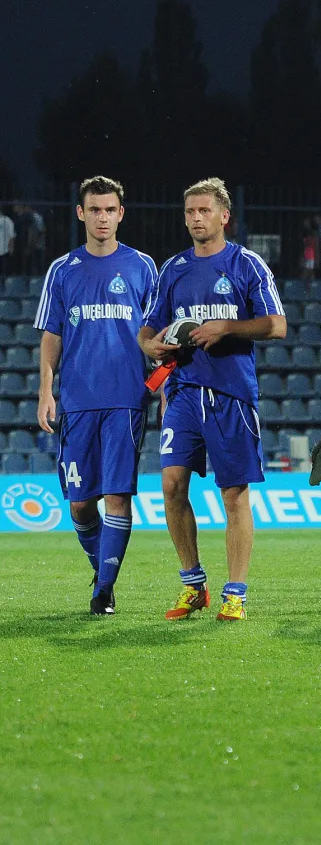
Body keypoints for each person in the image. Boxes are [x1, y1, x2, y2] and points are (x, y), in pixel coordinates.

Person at [139, 177, 287, 622]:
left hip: (231, 394)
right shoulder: (173, 269)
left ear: (224, 216)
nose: (196, 218)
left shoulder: (247, 264)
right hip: (182, 391)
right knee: (171, 485)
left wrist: (228, 328)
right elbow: (149, 327)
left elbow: (277, 325)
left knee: (233, 494)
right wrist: (149, 345)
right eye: (190, 211)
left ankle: (235, 593)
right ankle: (193, 584)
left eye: (204, 210)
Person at [34, 176, 158, 615]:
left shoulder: (143, 266)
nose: (102, 218)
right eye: (94, 210)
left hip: (127, 398)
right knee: (82, 504)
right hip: (78, 400)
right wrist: (46, 391)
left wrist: (162, 379)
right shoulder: (62, 269)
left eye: (109, 210)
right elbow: (52, 335)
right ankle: (101, 569)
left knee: (118, 495)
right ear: (81, 213)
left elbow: (157, 332)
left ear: (120, 214)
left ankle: (104, 590)